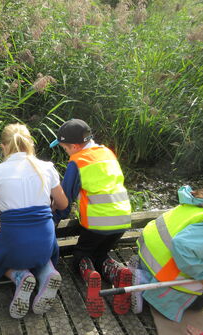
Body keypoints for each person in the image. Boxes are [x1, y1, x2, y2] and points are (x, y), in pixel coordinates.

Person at [0, 123, 68, 319]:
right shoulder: (47, 167)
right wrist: (47, 207)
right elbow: (63, 204)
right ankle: (46, 273)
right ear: (30, 144)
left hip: (14, 241)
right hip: (44, 240)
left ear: (3, 147)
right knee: (37, 255)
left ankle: (20, 276)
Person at [50, 119, 132, 317]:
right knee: (101, 253)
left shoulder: (77, 162)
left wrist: (54, 219)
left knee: (81, 256)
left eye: (65, 149)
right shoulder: (107, 153)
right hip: (122, 219)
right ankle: (118, 272)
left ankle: (89, 273)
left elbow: (66, 198)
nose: (66, 153)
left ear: (76, 146)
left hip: (97, 222)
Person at [134, 184, 203, 322]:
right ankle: (142, 283)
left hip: (147, 248)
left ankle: (141, 271)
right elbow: (183, 245)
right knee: (200, 302)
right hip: (162, 267)